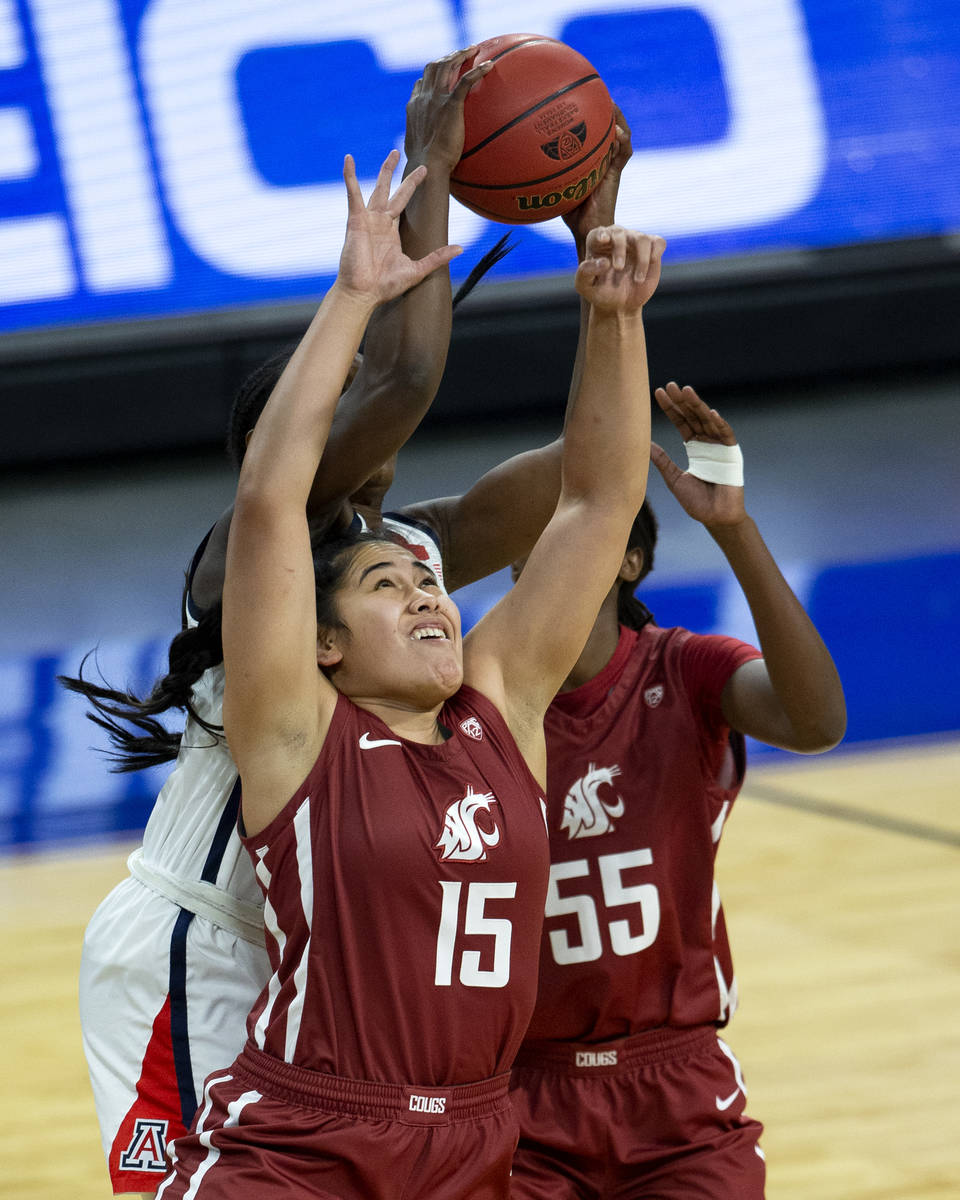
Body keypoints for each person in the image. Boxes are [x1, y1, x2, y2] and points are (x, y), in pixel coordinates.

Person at [63, 65, 638, 1199]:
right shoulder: (245, 562)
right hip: (208, 940)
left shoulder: (398, 561)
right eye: (354, 402)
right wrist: (429, 167)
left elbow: (584, 488)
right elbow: (410, 374)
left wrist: (605, 282)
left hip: (337, 957)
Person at [507, 381, 847, 1199]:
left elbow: (817, 722)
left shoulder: (683, 669)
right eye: (538, 532)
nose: (557, 543)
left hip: (675, 1084)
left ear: (629, 559)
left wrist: (734, 531)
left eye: (584, 525)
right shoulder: (477, 697)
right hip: (521, 1091)